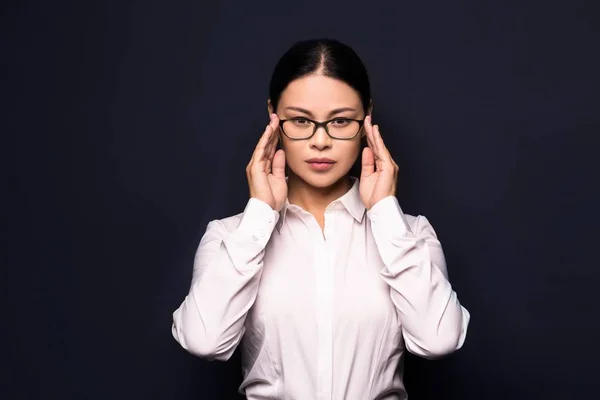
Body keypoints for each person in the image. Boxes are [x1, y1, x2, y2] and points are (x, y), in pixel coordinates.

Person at [172, 38, 470, 400]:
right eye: (300, 120)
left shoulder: (410, 234)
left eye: (341, 121)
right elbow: (205, 342)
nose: (320, 141)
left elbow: (439, 340)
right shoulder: (230, 236)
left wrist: (384, 213)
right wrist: (260, 215)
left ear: (367, 121)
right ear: (273, 118)